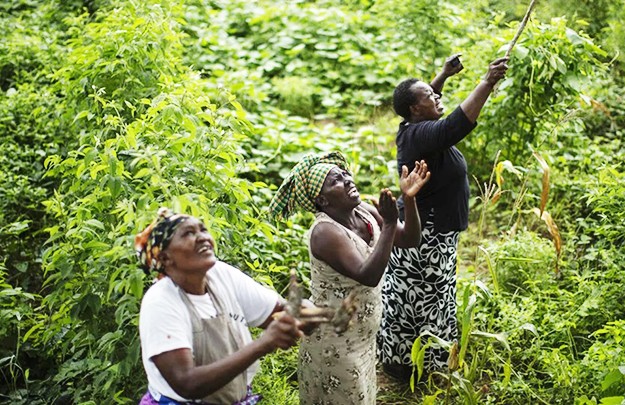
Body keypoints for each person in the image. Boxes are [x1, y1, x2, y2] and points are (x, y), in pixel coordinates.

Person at [378, 54, 509, 381]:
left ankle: (413, 361)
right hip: (426, 240)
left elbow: (426, 101)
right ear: (415, 110)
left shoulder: (413, 126)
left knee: (428, 298)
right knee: (424, 301)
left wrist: (443, 76)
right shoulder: (423, 135)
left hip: (434, 233)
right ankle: (410, 367)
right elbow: (453, 125)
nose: (437, 97)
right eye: (430, 97)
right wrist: (487, 81)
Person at [268, 151, 430, 405]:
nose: (347, 180)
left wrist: (408, 200)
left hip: (362, 335)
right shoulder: (325, 233)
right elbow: (368, 275)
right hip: (334, 340)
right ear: (322, 200)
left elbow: (410, 239)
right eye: (336, 181)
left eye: (345, 174)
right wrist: (389, 224)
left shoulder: (363, 211)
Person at [135, 208, 305, 405]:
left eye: (203, 230)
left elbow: (278, 313)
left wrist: (307, 313)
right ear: (165, 258)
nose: (202, 237)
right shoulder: (161, 301)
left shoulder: (221, 275)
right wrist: (263, 344)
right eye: (188, 233)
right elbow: (187, 383)